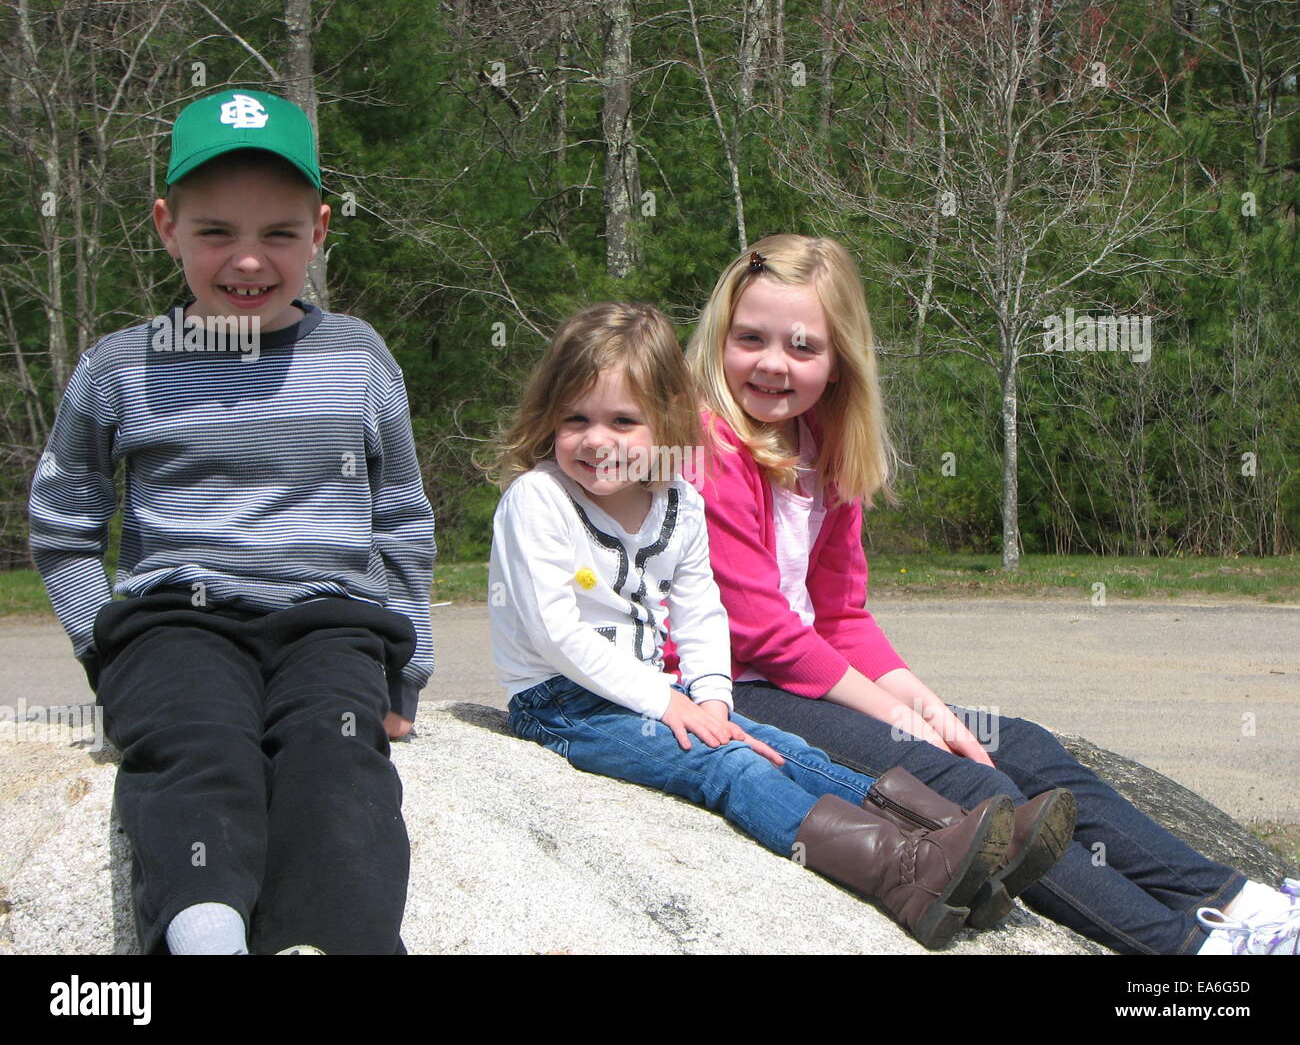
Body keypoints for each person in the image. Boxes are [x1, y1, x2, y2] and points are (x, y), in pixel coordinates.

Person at [681, 232, 1300, 956]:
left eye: (802, 346)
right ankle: (1187, 946)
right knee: (969, 786)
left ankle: (1237, 896)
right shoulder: (709, 444)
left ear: (841, 359)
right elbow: (759, 633)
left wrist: (930, 706)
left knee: (1020, 743)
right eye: (749, 338)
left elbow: (842, 616)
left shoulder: (823, 445)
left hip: (802, 676)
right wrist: (903, 722)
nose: (772, 364)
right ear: (720, 336)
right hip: (725, 686)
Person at [484, 301, 1070, 950]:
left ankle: (959, 841)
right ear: (549, 417)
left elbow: (702, 610)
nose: (598, 440)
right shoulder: (537, 500)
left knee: (792, 750)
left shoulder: (674, 498)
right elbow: (554, 634)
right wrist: (669, 701)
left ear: (666, 422)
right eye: (576, 419)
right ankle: (901, 871)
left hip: (659, 691)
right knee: (730, 765)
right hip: (564, 705)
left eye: (624, 420)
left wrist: (710, 696)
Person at [28, 89, 434, 955]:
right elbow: (64, 522)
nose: (248, 260)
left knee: (340, 765)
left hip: (329, 622)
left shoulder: (357, 357)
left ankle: (332, 940)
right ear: (167, 224)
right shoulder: (121, 367)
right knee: (198, 742)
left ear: (319, 230)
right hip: (177, 618)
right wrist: (103, 649)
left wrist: (408, 669)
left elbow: (400, 514)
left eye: (279, 234)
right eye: (216, 232)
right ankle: (201, 930)